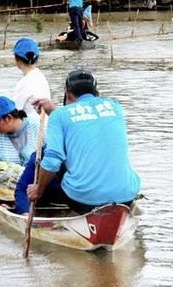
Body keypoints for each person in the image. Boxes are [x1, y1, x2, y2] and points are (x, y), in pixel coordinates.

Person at [26, 67, 140, 214]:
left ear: (68, 94)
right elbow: (87, 120)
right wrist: (54, 111)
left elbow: (52, 161)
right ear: (97, 94)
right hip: (126, 196)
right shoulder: (115, 106)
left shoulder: (59, 116)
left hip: (84, 202)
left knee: (55, 159)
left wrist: (38, 189)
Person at [0, 37, 50, 157]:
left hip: (30, 128)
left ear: (16, 59)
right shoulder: (41, 77)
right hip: (43, 125)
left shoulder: (25, 82)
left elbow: (12, 110)